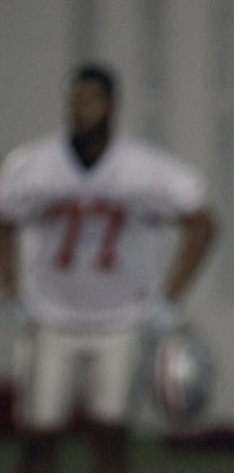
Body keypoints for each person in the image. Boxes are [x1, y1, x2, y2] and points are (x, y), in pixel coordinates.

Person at [0, 63, 215, 473]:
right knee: (39, 433)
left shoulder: (145, 167)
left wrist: (170, 296)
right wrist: (12, 288)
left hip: (120, 319)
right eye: (75, 100)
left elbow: (202, 223)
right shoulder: (34, 163)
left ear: (112, 105)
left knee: (111, 433)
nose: (82, 110)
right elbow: (4, 220)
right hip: (50, 317)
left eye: (91, 100)